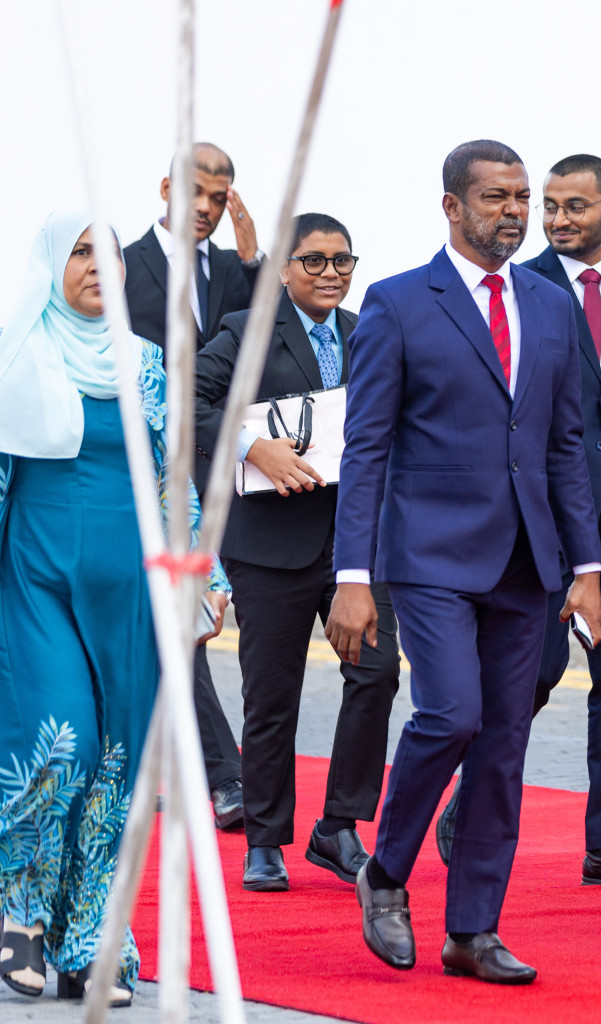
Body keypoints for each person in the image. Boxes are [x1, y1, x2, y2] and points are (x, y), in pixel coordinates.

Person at [326, 139, 601, 985]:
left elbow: (564, 447)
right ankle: (386, 869)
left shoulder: (552, 310)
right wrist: (352, 577)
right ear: (452, 205)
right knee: (451, 716)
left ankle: (473, 929)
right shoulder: (399, 303)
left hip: (529, 562)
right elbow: (365, 446)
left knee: (505, 746)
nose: (515, 211)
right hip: (432, 556)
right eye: (496, 197)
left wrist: (585, 564)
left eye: (522, 196)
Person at [0, 209, 229, 1007]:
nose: (98, 267)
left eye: (109, 256)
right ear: (49, 264)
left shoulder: (146, 364)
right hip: (37, 576)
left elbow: (175, 477)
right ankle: (16, 910)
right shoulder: (16, 359)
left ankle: (87, 935)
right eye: (78, 254)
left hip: (131, 588)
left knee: (117, 766)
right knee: (58, 741)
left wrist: (209, 575)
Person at [435, 155, 601, 885]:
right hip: (538, 520)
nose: (559, 219)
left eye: (575, 207)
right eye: (552, 206)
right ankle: (472, 795)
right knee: (531, 673)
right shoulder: (518, 291)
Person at [193, 213, 401, 894]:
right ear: (283, 269)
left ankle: (338, 825)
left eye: (342, 260)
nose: (331, 273)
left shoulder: (367, 330)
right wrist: (253, 446)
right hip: (270, 546)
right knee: (272, 695)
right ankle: (265, 839)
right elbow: (186, 400)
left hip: (356, 546)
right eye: (314, 261)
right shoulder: (247, 332)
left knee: (376, 675)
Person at [123, 141, 255, 830]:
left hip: (236, 470)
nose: (205, 207)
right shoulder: (120, 267)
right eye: (194, 191)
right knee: (181, 618)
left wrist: (254, 254)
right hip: (155, 473)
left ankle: (231, 770)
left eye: (219, 195)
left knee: (220, 621)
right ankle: (227, 775)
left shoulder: (237, 271)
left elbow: (271, 339)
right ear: (165, 186)